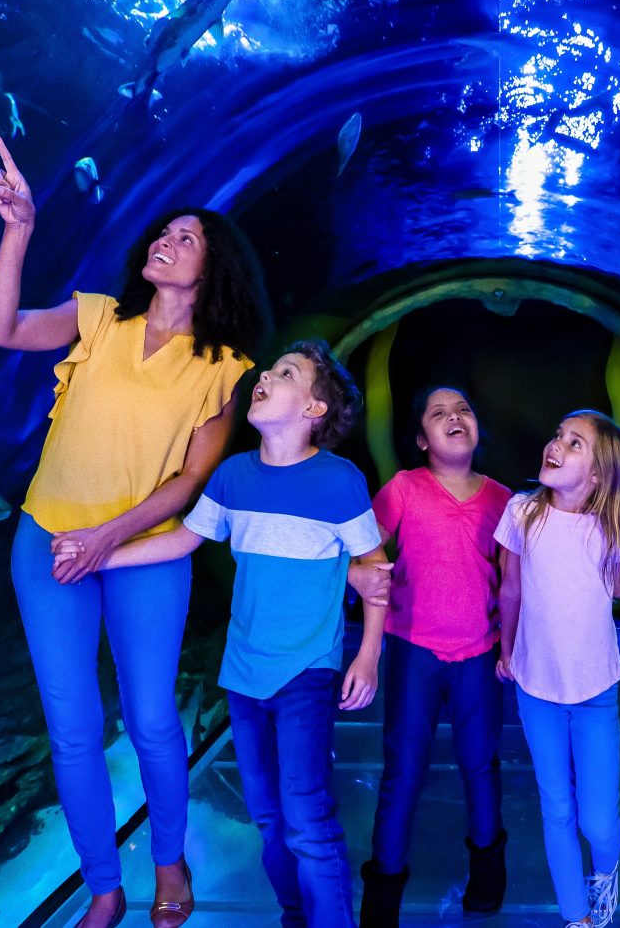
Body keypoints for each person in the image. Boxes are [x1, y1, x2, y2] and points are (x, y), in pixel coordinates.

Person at [0, 136, 266, 928]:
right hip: (47, 544)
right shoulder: (98, 319)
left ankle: (168, 861)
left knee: (149, 718)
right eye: (163, 232)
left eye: (186, 237)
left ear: (214, 269)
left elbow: (190, 479)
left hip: (140, 553)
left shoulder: (223, 370)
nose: (164, 242)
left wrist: (109, 537)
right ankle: (104, 885)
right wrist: (18, 231)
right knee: (72, 731)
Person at [104, 341, 390, 928]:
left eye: (286, 374)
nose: (265, 376)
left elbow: (375, 572)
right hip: (243, 672)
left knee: (305, 813)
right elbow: (185, 539)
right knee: (265, 813)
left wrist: (368, 654)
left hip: (308, 668)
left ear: (314, 409)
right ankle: (295, 916)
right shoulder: (234, 474)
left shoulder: (340, 481)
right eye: (269, 370)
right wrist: (103, 554)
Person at [496, 411, 620, 928]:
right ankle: (577, 917)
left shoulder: (611, 523)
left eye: (574, 444)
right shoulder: (522, 512)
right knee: (556, 808)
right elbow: (510, 589)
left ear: (596, 476)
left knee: (597, 820)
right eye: (557, 436)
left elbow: (619, 585)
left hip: (595, 690)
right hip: (536, 688)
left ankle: (606, 871)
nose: (556, 445)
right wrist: (506, 651)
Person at [360, 387, 513, 926]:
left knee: (481, 764)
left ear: (477, 430)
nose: (455, 417)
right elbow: (366, 550)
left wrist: (513, 648)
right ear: (423, 440)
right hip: (412, 651)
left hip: (479, 654)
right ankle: (383, 891)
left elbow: (515, 584)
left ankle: (489, 872)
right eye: (439, 413)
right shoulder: (403, 489)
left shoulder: (503, 500)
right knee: (402, 770)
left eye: (464, 409)